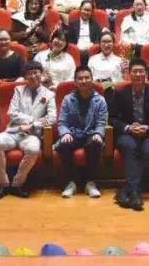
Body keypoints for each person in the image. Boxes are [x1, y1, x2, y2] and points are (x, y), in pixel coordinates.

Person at [108, 59, 149, 211]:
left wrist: (148, 128)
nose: (137, 74)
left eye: (141, 71)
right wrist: (128, 127)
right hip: (127, 134)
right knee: (130, 147)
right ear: (129, 74)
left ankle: (127, 190)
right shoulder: (120, 93)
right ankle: (136, 192)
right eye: (134, 71)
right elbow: (111, 118)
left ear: (146, 74)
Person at [0, 61, 56, 198]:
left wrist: (32, 125)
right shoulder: (19, 90)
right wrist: (31, 120)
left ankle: (17, 184)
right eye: (29, 74)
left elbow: (52, 118)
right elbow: (12, 113)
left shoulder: (49, 94)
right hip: (13, 130)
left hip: (31, 134)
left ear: (41, 74)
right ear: (25, 76)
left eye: (35, 73)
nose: (33, 76)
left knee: (33, 149)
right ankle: (3, 184)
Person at [56, 66, 107, 199]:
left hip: (91, 134)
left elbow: (101, 122)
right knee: (64, 144)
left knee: (96, 143)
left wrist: (98, 133)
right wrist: (65, 133)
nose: (84, 81)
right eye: (80, 78)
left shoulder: (100, 100)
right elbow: (62, 122)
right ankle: (71, 183)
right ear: (75, 82)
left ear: (92, 79)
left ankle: (90, 183)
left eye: (87, 78)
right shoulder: (68, 99)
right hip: (73, 134)